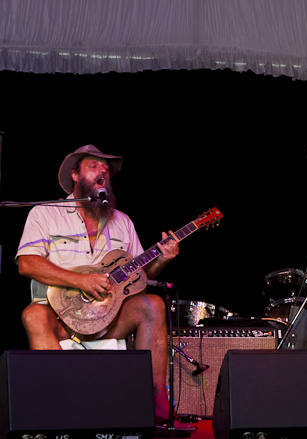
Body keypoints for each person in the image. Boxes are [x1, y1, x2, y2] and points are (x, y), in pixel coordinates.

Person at [15, 144, 191, 431]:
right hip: (60, 317)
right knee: (33, 315)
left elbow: (140, 277)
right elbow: (27, 264)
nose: (103, 172)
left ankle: (155, 408)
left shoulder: (122, 222)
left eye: (106, 170)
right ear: (75, 174)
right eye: (94, 166)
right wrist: (79, 280)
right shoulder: (44, 213)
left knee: (152, 305)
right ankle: (57, 409)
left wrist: (162, 260)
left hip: (109, 318)